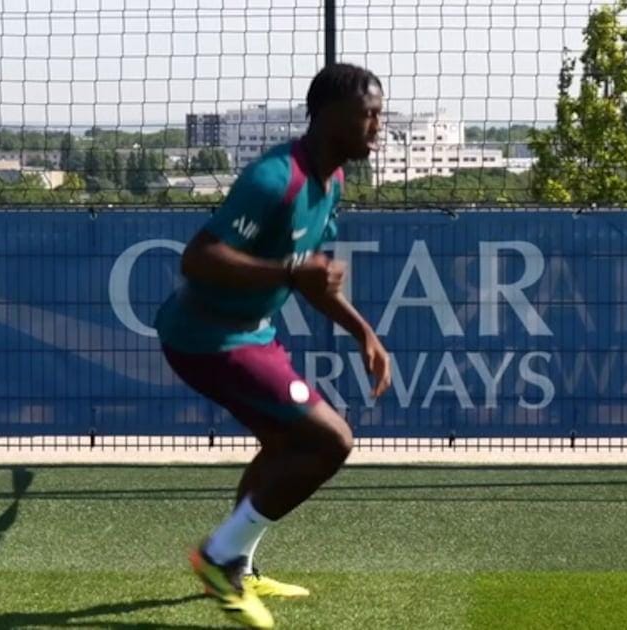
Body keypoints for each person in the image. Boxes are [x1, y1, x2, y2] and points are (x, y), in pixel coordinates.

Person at [155, 63, 391, 629]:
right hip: (207, 338)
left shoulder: (332, 181)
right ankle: (217, 559)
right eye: (369, 114)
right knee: (332, 441)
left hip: (249, 333)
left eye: (380, 114)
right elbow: (198, 258)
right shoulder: (273, 178)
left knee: (285, 443)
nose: (378, 126)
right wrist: (288, 269)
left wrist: (363, 330)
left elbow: (309, 278)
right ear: (329, 115)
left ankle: (240, 565)